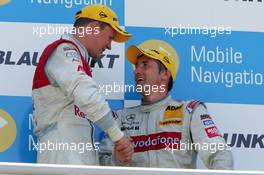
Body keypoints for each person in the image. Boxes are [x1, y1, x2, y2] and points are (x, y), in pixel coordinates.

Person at [99, 39, 234, 169]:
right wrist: (116, 160)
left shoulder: (189, 112)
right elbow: (99, 165)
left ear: (165, 74)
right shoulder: (119, 118)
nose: (136, 71)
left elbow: (219, 154)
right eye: (136, 66)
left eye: (145, 65)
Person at [32, 4, 133, 165]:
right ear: (93, 28)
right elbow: (87, 96)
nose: (109, 46)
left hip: (71, 157)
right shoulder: (64, 50)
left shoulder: (76, 58)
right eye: (110, 37)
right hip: (63, 157)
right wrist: (118, 137)